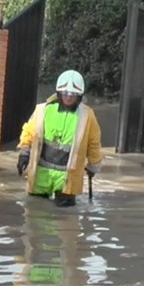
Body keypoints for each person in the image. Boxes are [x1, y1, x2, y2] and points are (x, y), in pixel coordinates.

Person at [16, 70, 103, 207]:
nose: (68, 97)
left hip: (67, 180)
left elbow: (94, 143)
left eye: (73, 94)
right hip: (40, 176)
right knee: (35, 214)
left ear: (79, 96)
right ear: (59, 93)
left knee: (65, 221)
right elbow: (29, 132)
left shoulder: (87, 116)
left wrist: (93, 166)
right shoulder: (43, 110)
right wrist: (24, 154)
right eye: (65, 93)